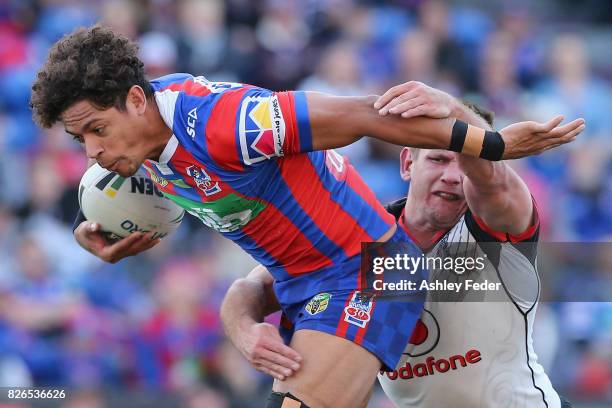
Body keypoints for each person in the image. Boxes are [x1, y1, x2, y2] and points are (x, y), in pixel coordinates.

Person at [29, 26, 584, 407]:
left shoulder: (228, 123)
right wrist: (101, 229)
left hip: (364, 283)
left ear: (133, 100)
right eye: (82, 140)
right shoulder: (148, 141)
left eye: (96, 132)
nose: (93, 153)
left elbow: (366, 115)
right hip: (320, 286)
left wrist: (489, 145)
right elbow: (253, 284)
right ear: (406, 163)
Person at [220, 83, 574, 407]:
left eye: (464, 164)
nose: (452, 176)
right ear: (407, 163)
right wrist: (245, 331)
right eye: (438, 158)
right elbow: (251, 286)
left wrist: (452, 108)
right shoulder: (361, 236)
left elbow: (492, 179)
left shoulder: (499, 231)